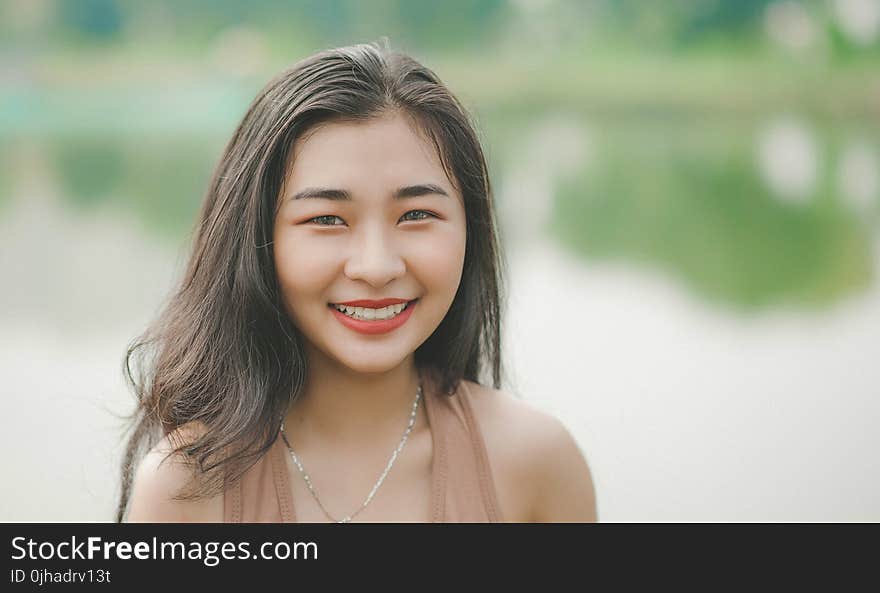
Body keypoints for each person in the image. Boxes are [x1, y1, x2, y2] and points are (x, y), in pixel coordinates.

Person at [118, 40, 596, 523]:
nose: (375, 266)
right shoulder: (187, 489)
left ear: (470, 228)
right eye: (326, 219)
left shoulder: (537, 464)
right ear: (257, 237)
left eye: (416, 214)